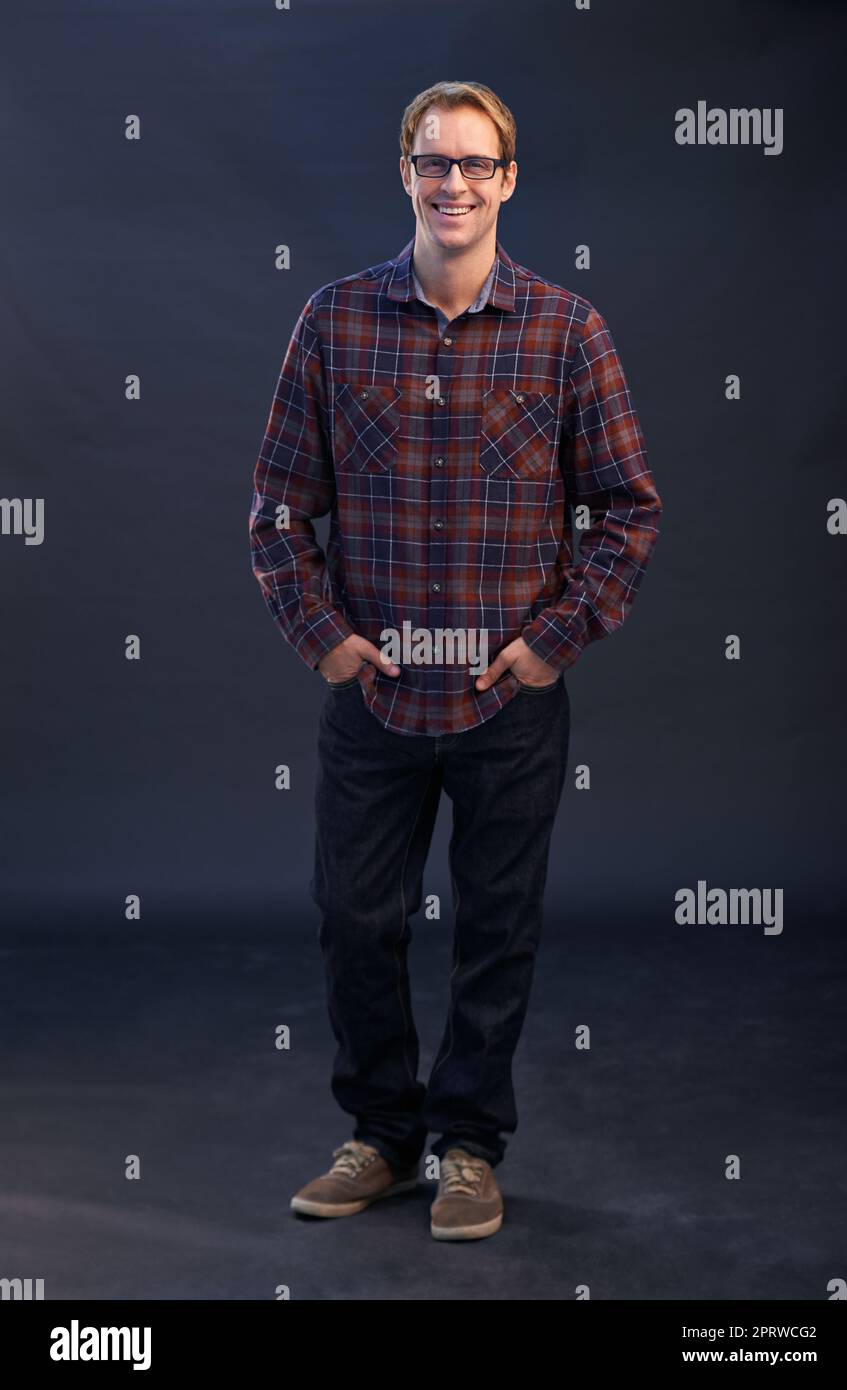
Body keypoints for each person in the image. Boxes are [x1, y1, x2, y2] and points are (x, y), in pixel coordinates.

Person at [249, 80, 663, 1241]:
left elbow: (626, 512)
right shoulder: (333, 322)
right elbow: (279, 509)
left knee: (498, 925)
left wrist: (551, 645)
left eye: (477, 165)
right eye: (435, 163)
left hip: (509, 705)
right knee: (353, 917)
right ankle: (381, 1136)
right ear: (405, 174)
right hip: (376, 700)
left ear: (509, 180)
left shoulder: (567, 330)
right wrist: (325, 640)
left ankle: (468, 1144)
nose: (455, 184)